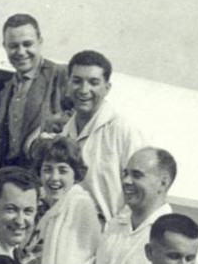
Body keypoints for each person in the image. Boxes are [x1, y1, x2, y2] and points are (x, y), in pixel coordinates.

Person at [85, 147, 198, 264]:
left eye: (137, 175)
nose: (126, 181)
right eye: (125, 174)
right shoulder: (116, 226)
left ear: (163, 183)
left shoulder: (176, 239)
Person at [55, 50, 145, 224]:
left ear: (107, 88)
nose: (84, 90)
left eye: (93, 82)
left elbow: (143, 192)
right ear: (68, 84)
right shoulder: (63, 136)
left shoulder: (123, 131)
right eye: (77, 81)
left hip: (108, 236)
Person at [0, 13, 68, 168]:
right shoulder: (7, 89)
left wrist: (40, 133)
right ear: (4, 47)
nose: (21, 52)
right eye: (13, 46)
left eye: (27, 44)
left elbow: (80, 118)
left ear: (40, 42)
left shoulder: (60, 75)